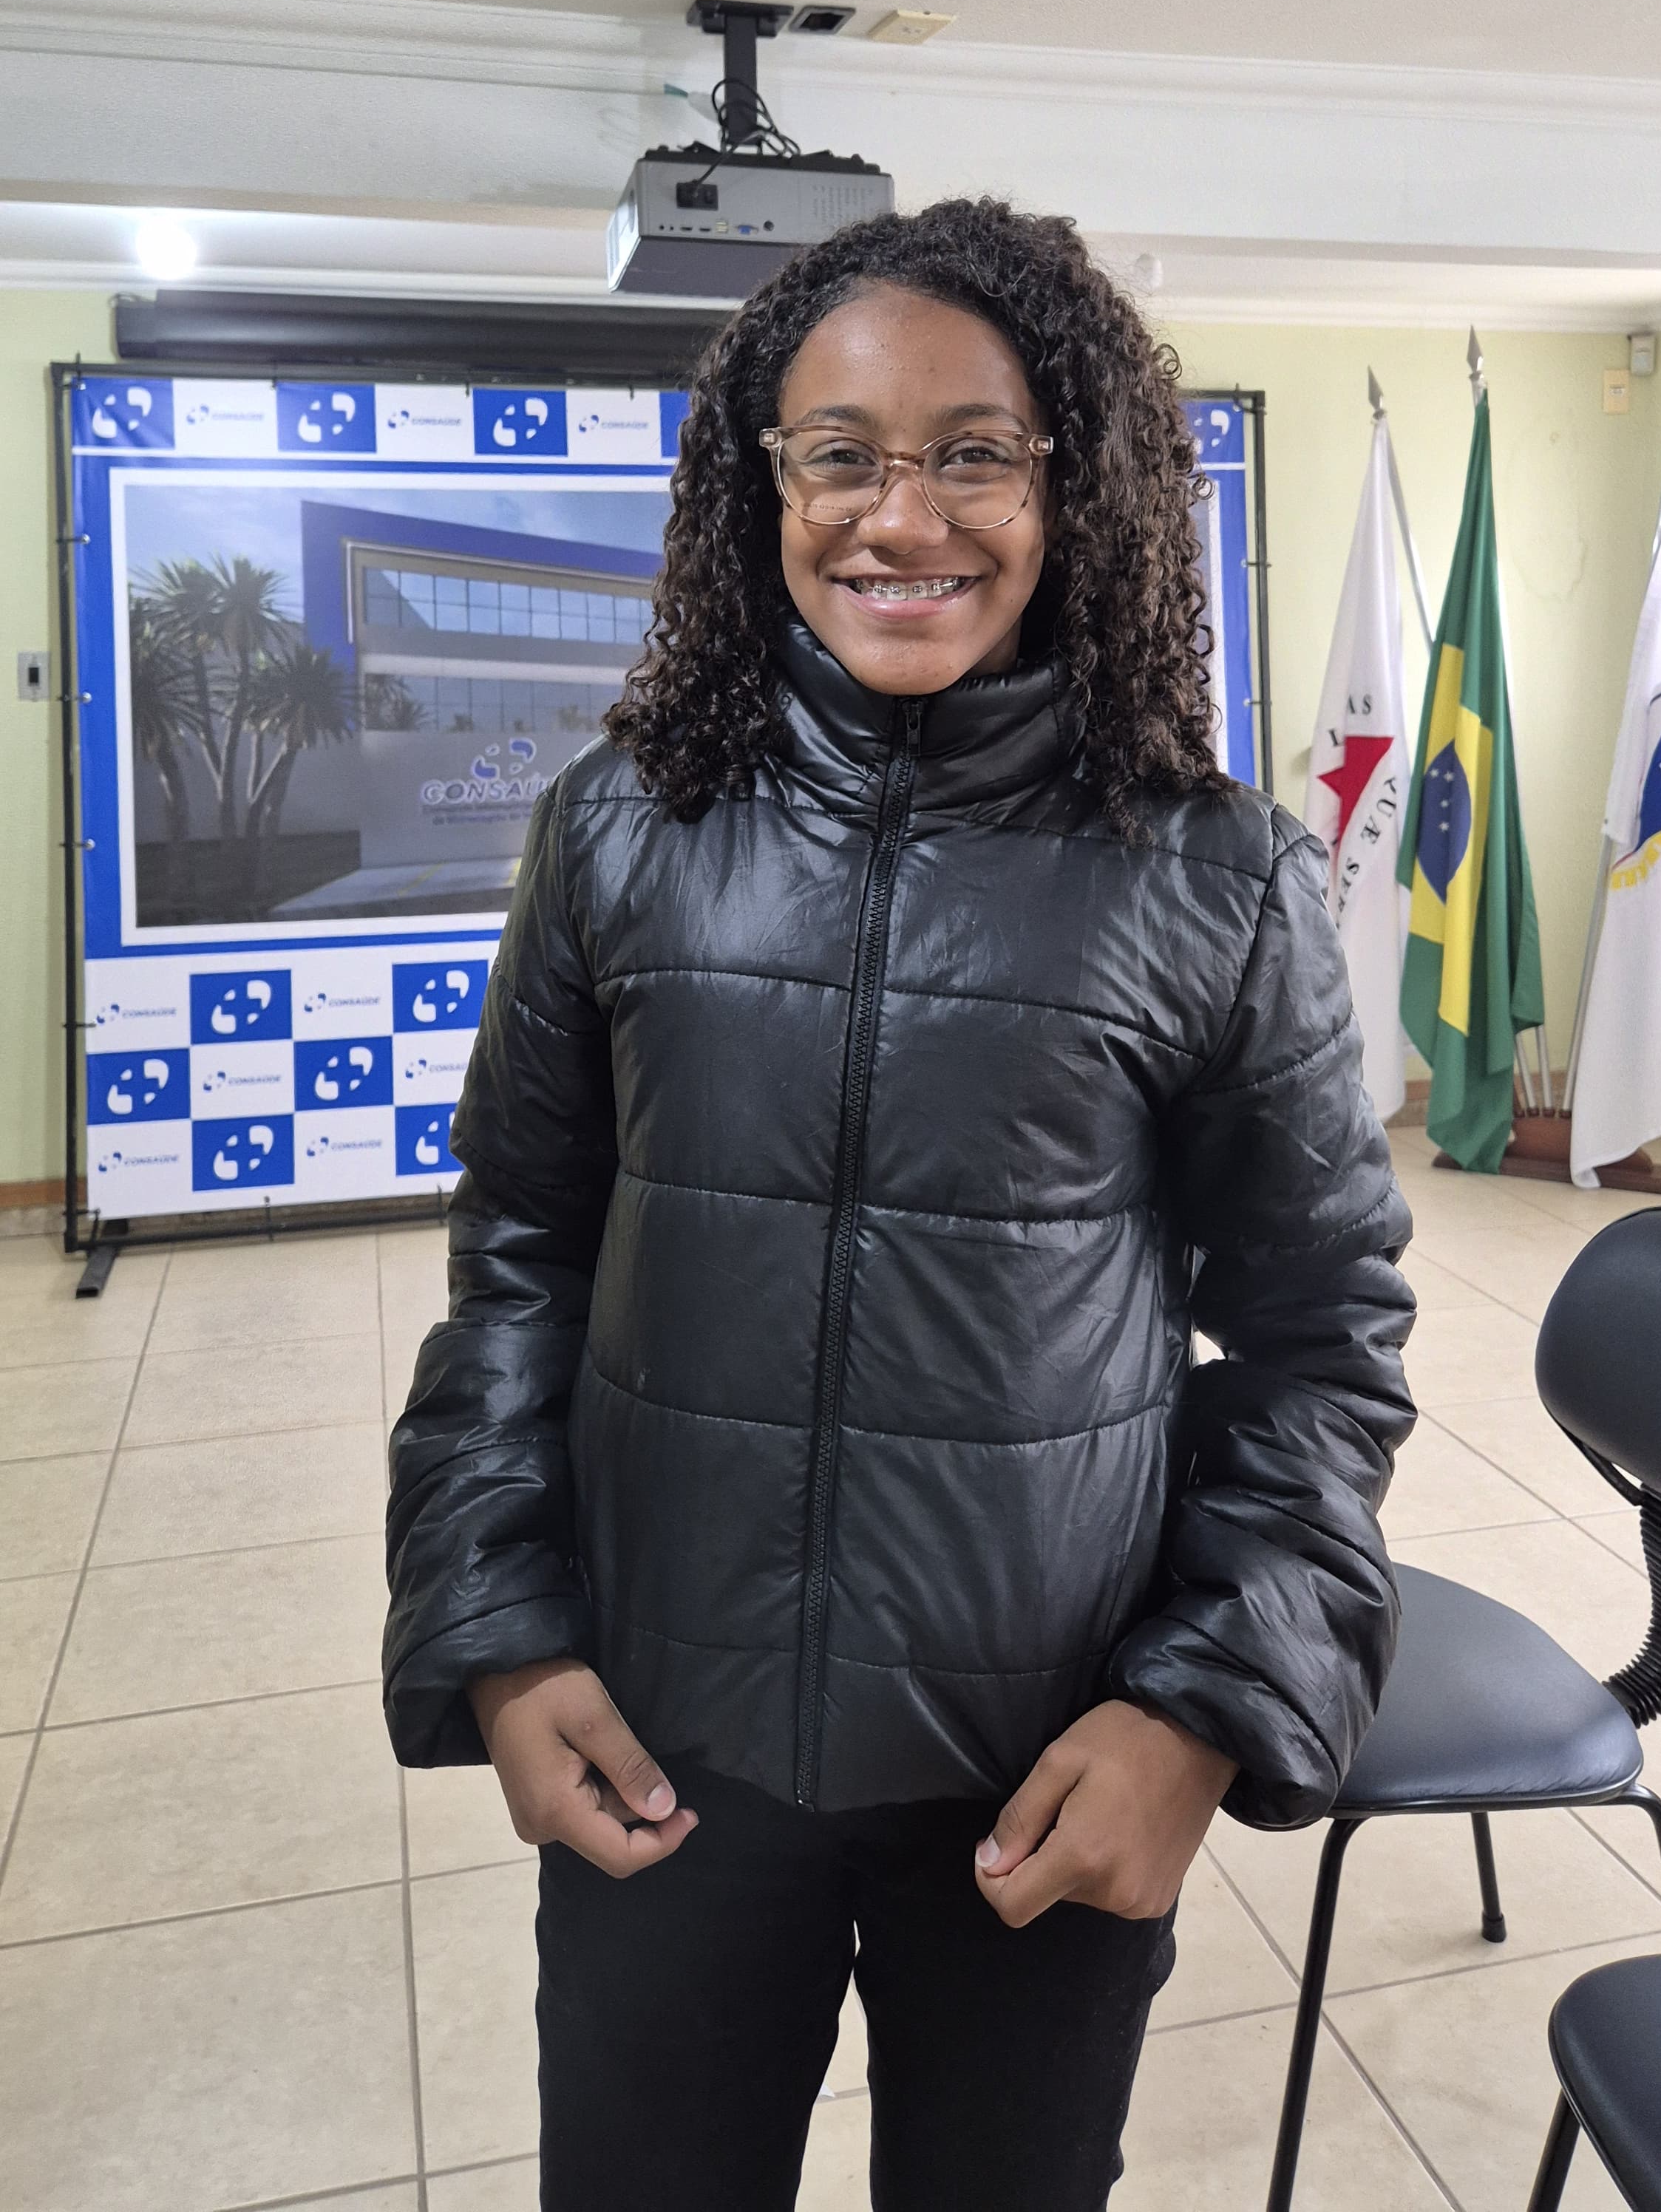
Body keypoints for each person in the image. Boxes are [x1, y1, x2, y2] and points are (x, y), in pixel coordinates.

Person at [384, 198, 1416, 2212]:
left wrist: (1200, 1711)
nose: (900, 518)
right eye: (840, 455)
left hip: (1043, 1768)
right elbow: (515, 1261)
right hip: (667, 1751)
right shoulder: (616, 832)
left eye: (974, 454)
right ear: (759, 483)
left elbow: (1321, 1340)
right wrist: (500, 1636)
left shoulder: (1212, 877)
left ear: (1072, 487)